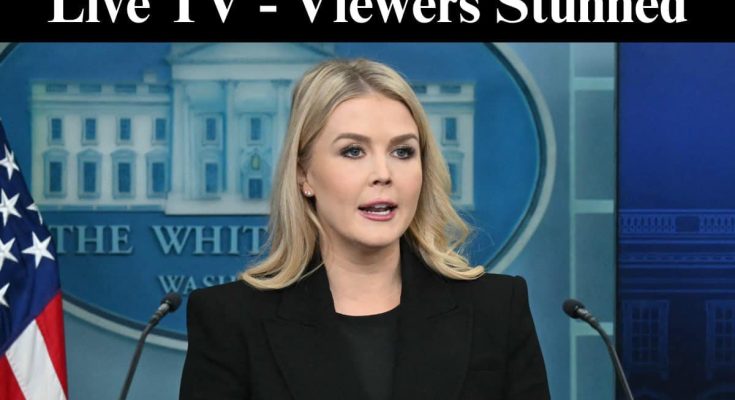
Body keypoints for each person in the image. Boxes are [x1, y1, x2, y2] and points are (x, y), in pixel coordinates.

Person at [179, 58, 550, 400]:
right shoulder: (228, 319)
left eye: (402, 152)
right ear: (304, 174)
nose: (383, 174)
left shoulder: (497, 309)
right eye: (353, 151)